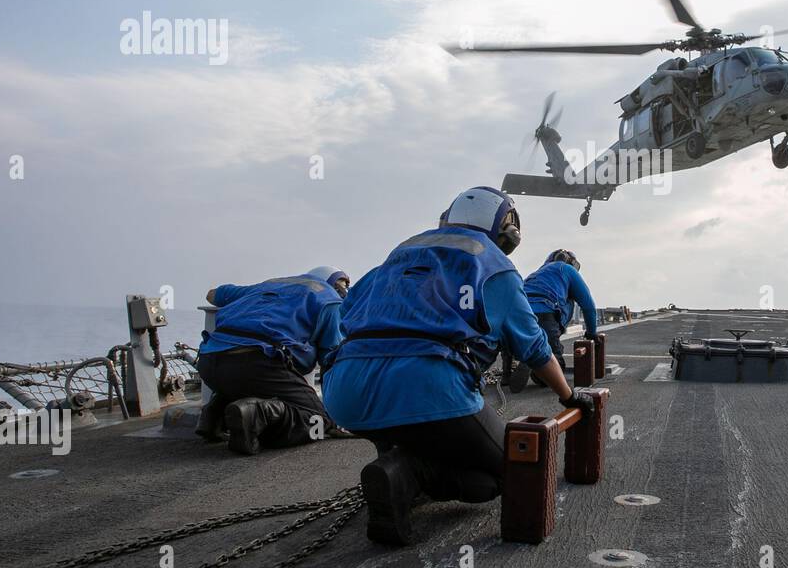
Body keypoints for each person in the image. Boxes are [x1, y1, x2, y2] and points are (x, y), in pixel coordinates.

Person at [322, 186, 594, 546]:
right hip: (429, 387)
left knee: (408, 424)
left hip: (345, 391)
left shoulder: (399, 254)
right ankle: (408, 474)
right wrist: (568, 396)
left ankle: (392, 465)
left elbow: (346, 314)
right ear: (507, 230)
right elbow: (535, 348)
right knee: (510, 471)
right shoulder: (494, 266)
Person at [195, 266, 349, 455]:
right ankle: (255, 417)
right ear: (335, 286)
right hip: (258, 364)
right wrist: (338, 415)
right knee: (318, 421)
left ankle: (215, 414)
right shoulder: (330, 300)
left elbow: (212, 294)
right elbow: (331, 361)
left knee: (256, 382)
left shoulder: (270, 284)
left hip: (209, 362)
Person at [514, 249, 598, 390]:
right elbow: (588, 306)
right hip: (546, 314)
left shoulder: (534, 275)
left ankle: (509, 370)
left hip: (520, 315)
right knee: (555, 368)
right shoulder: (567, 269)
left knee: (526, 343)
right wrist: (592, 333)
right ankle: (534, 367)